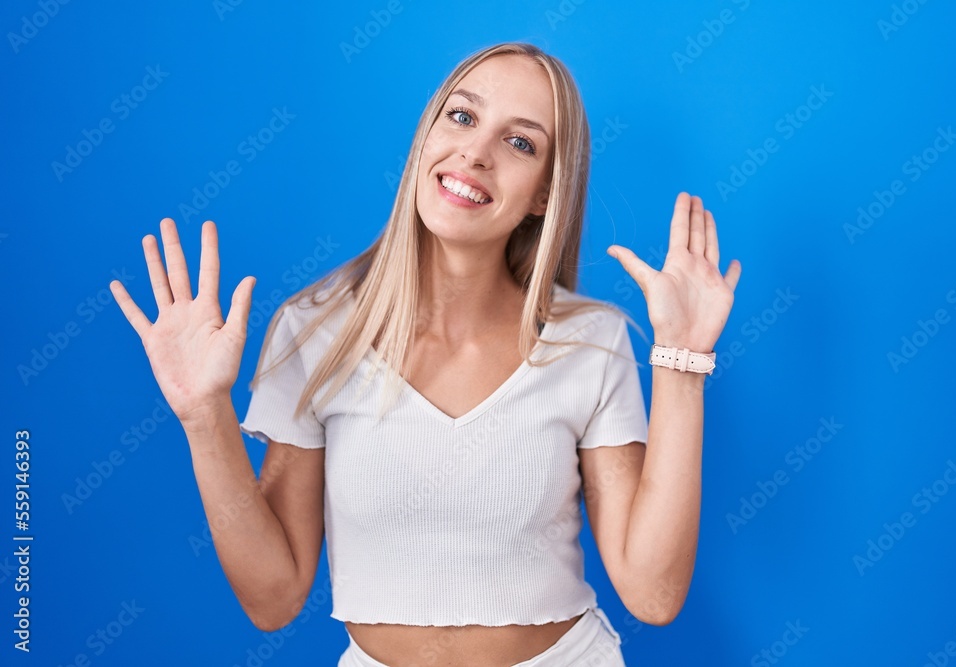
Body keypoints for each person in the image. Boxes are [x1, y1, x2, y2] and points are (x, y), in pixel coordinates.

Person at [110, 41, 740, 667]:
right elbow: (273, 598)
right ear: (425, 138)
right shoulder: (312, 332)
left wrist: (682, 360)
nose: (476, 152)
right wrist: (204, 415)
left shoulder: (591, 340)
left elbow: (653, 594)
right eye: (462, 116)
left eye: (519, 143)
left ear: (545, 195)